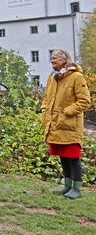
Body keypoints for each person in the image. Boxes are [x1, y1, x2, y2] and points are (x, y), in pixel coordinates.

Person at [41, 49, 91, 199]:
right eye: (51, 58)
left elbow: (84, 102)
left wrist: (66, 112)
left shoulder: (76, 77)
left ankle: (77, 187)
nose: (52, 61)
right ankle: (67, 185)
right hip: (56, 124)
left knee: (73, 156)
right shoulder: (53, 77)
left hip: (70, 125)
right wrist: (44, 108)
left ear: (64, 60)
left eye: (55, 58)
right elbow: (47, 97)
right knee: (63, 155)